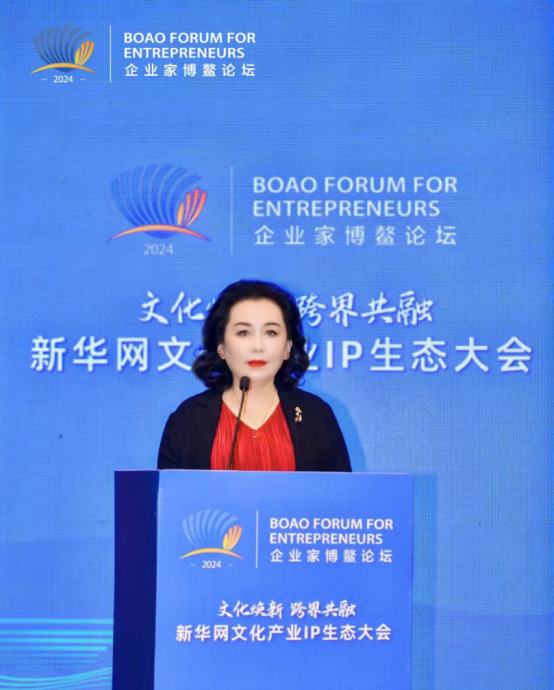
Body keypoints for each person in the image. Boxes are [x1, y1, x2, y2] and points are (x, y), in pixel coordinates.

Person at [157, 280, 351, 472]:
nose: (258, 346)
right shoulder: (188, 419)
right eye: (243, 333)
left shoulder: (316, 415)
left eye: (271, 332)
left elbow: (342, 490)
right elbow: (170, 490)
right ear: (221, 347)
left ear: (287, 347)